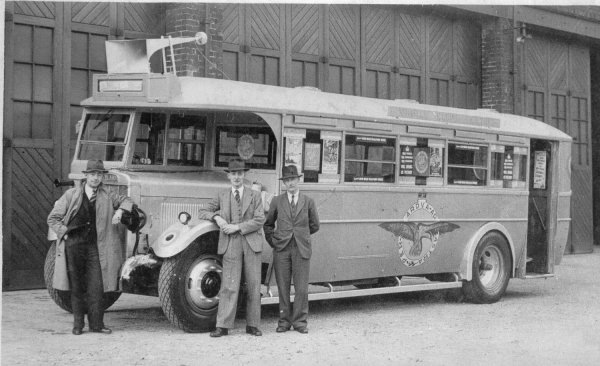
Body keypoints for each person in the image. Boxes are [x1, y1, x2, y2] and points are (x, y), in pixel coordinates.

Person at [47, 160, 134, 335]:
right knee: (77, 286)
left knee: (96, 287)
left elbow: (127, 200)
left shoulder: (107, 195)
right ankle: (78, 325)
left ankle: (97, 325)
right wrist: (64, 232)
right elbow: (52, 218)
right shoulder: (71, 195)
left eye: (99, 174)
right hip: (74, 246)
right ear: (86, 176)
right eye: (92, 174)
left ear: (102, 177)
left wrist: (120, 211)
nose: (95, 178)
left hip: (96, 248)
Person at [199, 159, 265, 337]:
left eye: (240, 173)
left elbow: (260, 219)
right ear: (228, 176)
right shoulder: (221, 195)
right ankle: (223, 325)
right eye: (233, 174)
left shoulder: (255, 195)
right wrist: (217, 218)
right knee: (229, 285)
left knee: (253, 284)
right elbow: (202, 211)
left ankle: (253, 325)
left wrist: (237, 227)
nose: (237, 177)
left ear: (244, 175)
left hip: (251, 242)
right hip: (230, 244)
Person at [264, 165, 320, 334]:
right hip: (282, 249)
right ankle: (284, 321)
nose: (290, 183)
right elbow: (268, 225)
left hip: (301, 248)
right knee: (283, 287)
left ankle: (300, 322)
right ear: (284, 183)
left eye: (293, 179)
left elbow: (315, 225)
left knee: (302, 288)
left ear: (298, 180)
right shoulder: (276, 201)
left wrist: (300, 235)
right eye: (287, 180)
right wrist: (274, 241)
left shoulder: (308, 201)